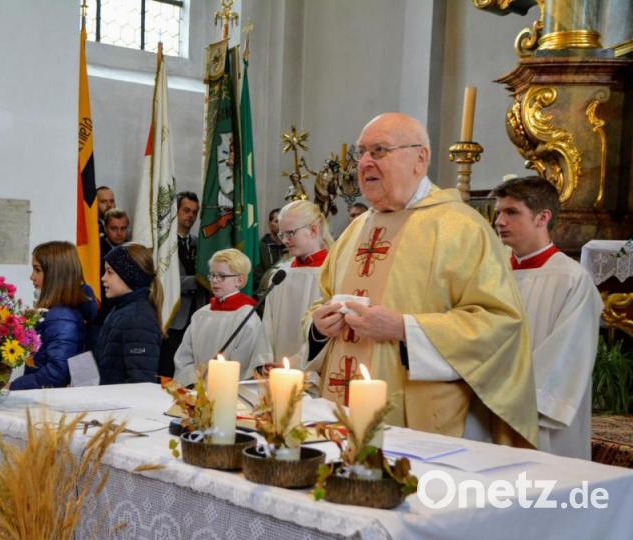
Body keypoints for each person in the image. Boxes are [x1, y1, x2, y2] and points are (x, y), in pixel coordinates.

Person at [306, 112, 537, 448]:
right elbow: (321, 300)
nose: (365, 163)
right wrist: (317, 326)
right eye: (362, 153)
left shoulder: (460, 227)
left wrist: (404, 328)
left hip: (419, 423)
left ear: (420, 158)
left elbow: (499, 323)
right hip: (338, 410)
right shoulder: (355, 230)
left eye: (380, 150)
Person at [492, 176, 603, 458]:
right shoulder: (492, 273)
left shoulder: (571, 279)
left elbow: (566, 355)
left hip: (536, 415)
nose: (499, 221)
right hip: (487, 406)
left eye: (511, 212)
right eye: (499, 212)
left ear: (543, 217)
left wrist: (513, 399)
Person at [173, 249, 271, 387]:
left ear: (239, 280)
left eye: (221, 276)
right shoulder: (201, 314)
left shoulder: (247, 317)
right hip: (195, 390)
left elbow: (242, 363)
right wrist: (192, 383)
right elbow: (184, 356)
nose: (214, 281)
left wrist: (216, 387)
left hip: (226, 391)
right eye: (212, 275)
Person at [11, 241, 97, 390]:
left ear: (55, 275)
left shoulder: (62, 317)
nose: (32, 277)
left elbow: (57, 373)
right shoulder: (56, 313)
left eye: (37, 270)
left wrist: (13, 386)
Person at [261, 199, 332, 371]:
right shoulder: (280, 275)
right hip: (276, 370)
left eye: (290, 233)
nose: (284, 240)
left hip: (313, 373)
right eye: (281, 234)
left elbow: (327, 331)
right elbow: (266, 326)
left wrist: (295, 364)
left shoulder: (332, 274)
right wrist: (267, 360)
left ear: (313, 230)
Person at [95, 243, 162, 384]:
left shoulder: (138, 319)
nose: (103, 278)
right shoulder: (120, 310)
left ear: (129, 275)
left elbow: (140, 382)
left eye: (110, 272)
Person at [159, 192, 209, 378]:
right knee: (168, 369)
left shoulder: (200, 244)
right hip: (174, 317)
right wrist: (198, 280)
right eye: (186, 210)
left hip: (197, 315)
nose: (191, 216)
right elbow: (166, 280)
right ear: (176, 211)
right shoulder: (165, 244)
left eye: (194, 212)